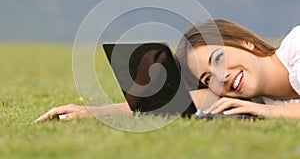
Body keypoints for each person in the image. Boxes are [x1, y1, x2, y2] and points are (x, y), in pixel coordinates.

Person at [35, 19, 300, 122]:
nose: (221, 77)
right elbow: (166, 102)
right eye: (208, 78)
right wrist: (88, 113)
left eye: (218, 58)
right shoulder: (246, 99)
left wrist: (270, 112)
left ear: (245, 42)